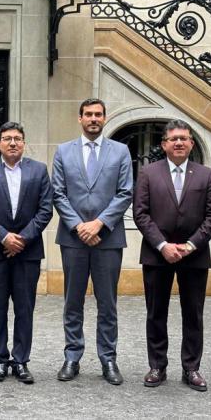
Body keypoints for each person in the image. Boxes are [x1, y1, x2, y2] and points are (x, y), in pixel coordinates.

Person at [133, 119, 211, 391]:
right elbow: (141, 213)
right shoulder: (148, 173)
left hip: (194, 257)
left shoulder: (206, 175)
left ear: (191, 143)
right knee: (156, 313)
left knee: (193, 314)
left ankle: (191, 368)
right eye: (173, 139)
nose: (179, 142)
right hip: (157, 255)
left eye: (184, 138)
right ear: (164, 144)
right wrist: (163, 246)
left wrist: (190, 245)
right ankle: (157, 366)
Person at [52, 98, 133, 385]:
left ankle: (108, 358)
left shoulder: (120, 151)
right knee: (72, 301)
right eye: (88, 114)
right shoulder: (63, 151)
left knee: (107, 303)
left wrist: (99, 224)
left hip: (108, 238)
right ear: (80, 118)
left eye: (98, 114)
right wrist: (79, 226)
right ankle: (72, 356)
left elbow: (125, 193)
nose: (94, 119)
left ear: (105, 118)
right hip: (73, 240)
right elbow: (58, 193)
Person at [0, 122, 53, 384]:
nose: (13, 143)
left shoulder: (39, 170)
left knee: (24, 309)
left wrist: (23, 238)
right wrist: (4, 237)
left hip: (27, 253)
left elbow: (45, 209)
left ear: (24, 142)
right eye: (7, 138)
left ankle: (20, 361)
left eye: (18, 138)